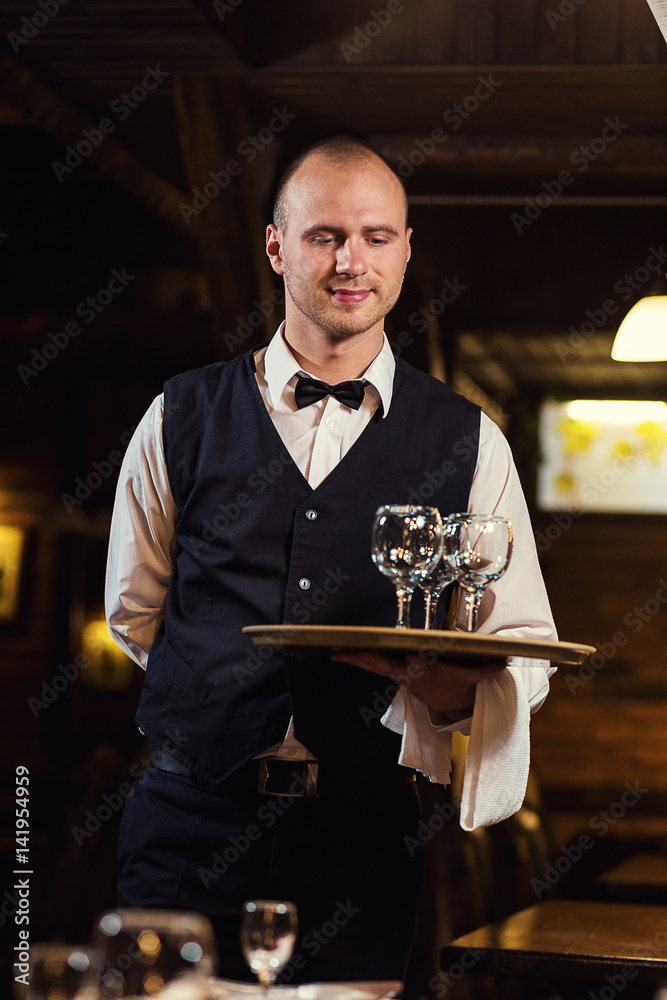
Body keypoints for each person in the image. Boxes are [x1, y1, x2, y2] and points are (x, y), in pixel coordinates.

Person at [106, 136, 557, 984]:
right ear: (276, 247)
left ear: (405, 250)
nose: (352, 261)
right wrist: (217, 707)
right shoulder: (179, 414)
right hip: (187, 821)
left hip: (363, 832)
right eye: (325, 236)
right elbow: (136, 612)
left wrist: (435, 686)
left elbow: (520, 649)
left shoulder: (468, 439)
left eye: (375, 237)